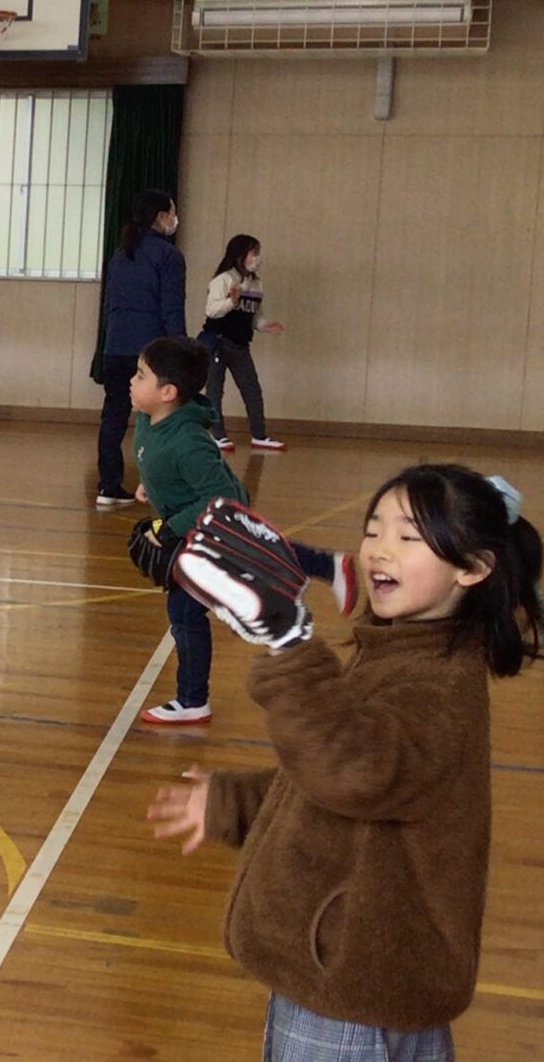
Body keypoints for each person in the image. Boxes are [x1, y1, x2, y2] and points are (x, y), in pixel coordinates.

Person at [148, 466, 544, 1062]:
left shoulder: (432, 687)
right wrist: (236, 805)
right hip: (390, 935)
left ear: (476, 569)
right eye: (375, 527)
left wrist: (289, 643)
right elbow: (339, 785)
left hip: (360, 951)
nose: (378, 549)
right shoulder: (409, 650)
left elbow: (355, 773)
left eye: (411, 536)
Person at [129, 336, 353, 730]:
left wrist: (170, 528)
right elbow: (157, 463)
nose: (132, 380)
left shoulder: (188, 441)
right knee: (242, 574)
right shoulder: (149, 420)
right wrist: (151, 487)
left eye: (141, 375)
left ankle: (193, 700)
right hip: (196, 529)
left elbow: (224, 495)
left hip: (214, 527)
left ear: (167, 392)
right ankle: (329, 567)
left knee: (188, 611)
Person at [96, 191, 186, 508]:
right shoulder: (168, 256)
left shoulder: (121, 254)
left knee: (113, 417)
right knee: (155, 420)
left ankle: (107, 487)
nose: (175, 217)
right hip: (149, 351)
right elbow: (172, 308)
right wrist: (181, 352)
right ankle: (155, 488)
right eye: (172, 212)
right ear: (161, 216)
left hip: (115, 347)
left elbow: (109, 306)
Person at [201, 234, 287, 453]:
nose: (258, 258)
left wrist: (266, 325)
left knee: (252, 390)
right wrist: (231, 301)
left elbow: (255, 316)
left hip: (240, 344)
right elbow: (212, 311)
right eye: (254, 253)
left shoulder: (256, 284)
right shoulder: (222, 280)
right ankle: (218, 436)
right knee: (214, 391)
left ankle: (259, 436)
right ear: (240, 255)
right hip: (218, 342)